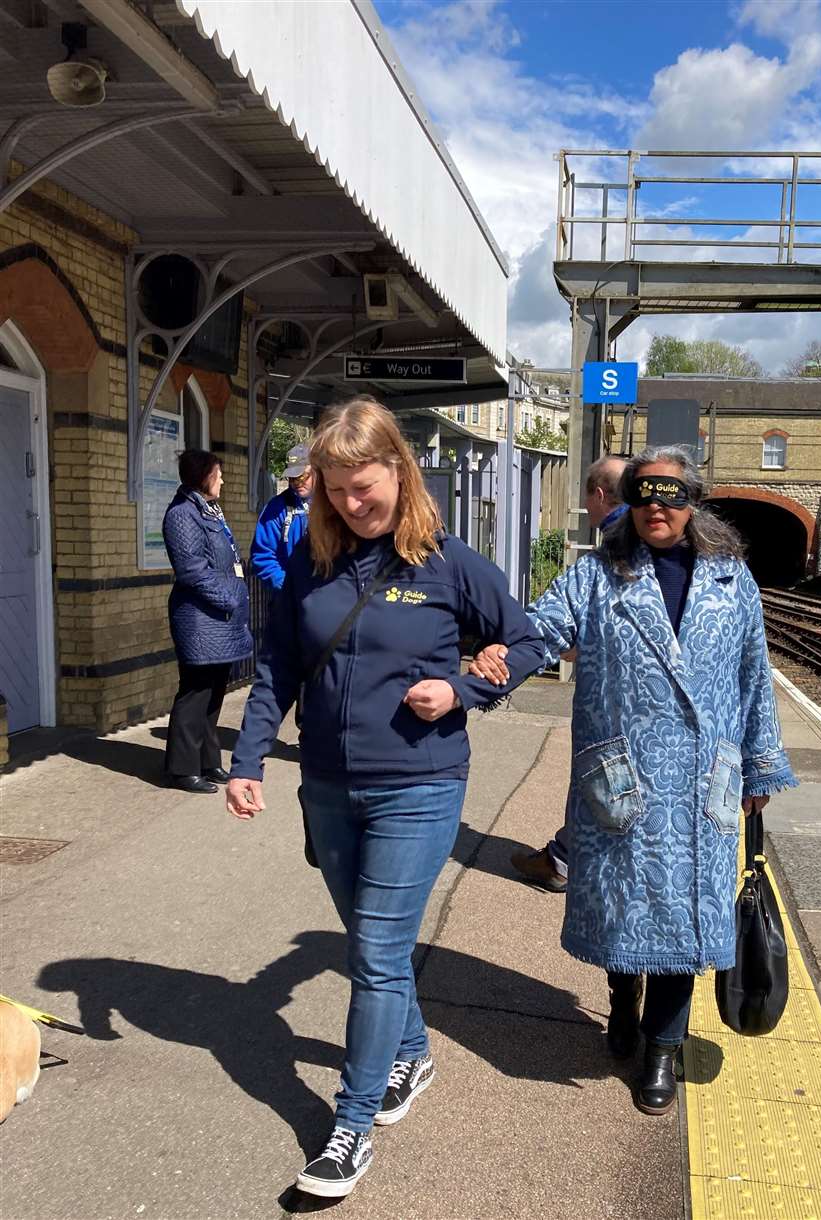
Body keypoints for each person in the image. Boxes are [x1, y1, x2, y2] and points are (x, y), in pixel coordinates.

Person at [224, 397, 545, 1200]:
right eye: (332, 491)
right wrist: (248, 760)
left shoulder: (448, 563)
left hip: (420, 785)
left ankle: (350, 1126)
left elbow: (532, 639)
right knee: (374, 943)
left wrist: (464, 689)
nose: (348, 505)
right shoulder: (311, 563)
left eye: (361, 487)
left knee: (371, 953)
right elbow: (278, 671)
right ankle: (413, 1052)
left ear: (399, 472)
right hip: (328, 786)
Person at [470, 446, 796, 1115]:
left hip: (704, 781)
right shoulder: (596, 576)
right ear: (629, 497)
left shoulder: (733, 581)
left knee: (684, 918)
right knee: (624, 909)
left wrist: (760, 765)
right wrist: (491, 655)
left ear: (693, 501)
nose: (657, 506)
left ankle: (662, 1049)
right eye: (645, 493)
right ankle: (624, 1003)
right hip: (622, 777)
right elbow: (539, 628)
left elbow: (754, 678)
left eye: (672, 494)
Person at [508, 454, 627, 893]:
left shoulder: (605, 557)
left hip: (610, 705)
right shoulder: (704, 563)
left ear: (597, 495)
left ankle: (565, 862)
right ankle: (566, 855)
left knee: (598, 778)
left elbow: (543, 630)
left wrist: (472, 684)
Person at [162, 449, 252, 794]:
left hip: (218, 618)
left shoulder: (208, 510)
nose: (223, 480)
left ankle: (208, 760)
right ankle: (182, 769)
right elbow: (192, 572)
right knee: (194, 692)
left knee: (214, 691)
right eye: (218, 474)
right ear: (203, 477)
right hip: (200, 619)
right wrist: (230, 597)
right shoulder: (182, 515)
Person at [250, 445, 313, 591]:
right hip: (289, 600)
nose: (297, 483)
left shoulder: (333, 503)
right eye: (292, 478)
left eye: (302, 477)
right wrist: (287, 587)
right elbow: (263, 555)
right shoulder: (276, 508)